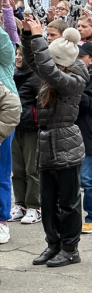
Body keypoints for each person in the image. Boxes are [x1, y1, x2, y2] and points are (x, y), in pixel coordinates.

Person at [21, 21, 89, 266]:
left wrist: (40, 38)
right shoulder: (56, 73)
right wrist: (28, 36)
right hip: (47, 143)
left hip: (66, 143)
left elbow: (48, 69)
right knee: (48, 201)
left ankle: (71, 248)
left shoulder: (73, 78)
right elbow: (35, 62)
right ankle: (54, 244)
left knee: (68, 203)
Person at [10, 43, 42, 225]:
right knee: (18, 169)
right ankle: (20, 204)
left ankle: (34, 206)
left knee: (32, 169)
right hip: (15, 127)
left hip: (32, 128)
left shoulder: (37, 77)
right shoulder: (12, 74)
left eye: (22, 54)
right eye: (16, 54)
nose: (18, 57)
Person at [75, 41, 92, 234]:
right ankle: (73, 218)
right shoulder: (69, 76)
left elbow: (88, 103)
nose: (76, 60)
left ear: (91, 60)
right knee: (71, 181)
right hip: (70, 136)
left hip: (88, 135)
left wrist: (72, 90)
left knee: (87, 180)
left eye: (81, 57)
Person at [0, 26, 18, 243]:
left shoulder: (4, 61)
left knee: (2, 173)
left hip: (3, 126)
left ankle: (2, 220)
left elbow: (5, 42)